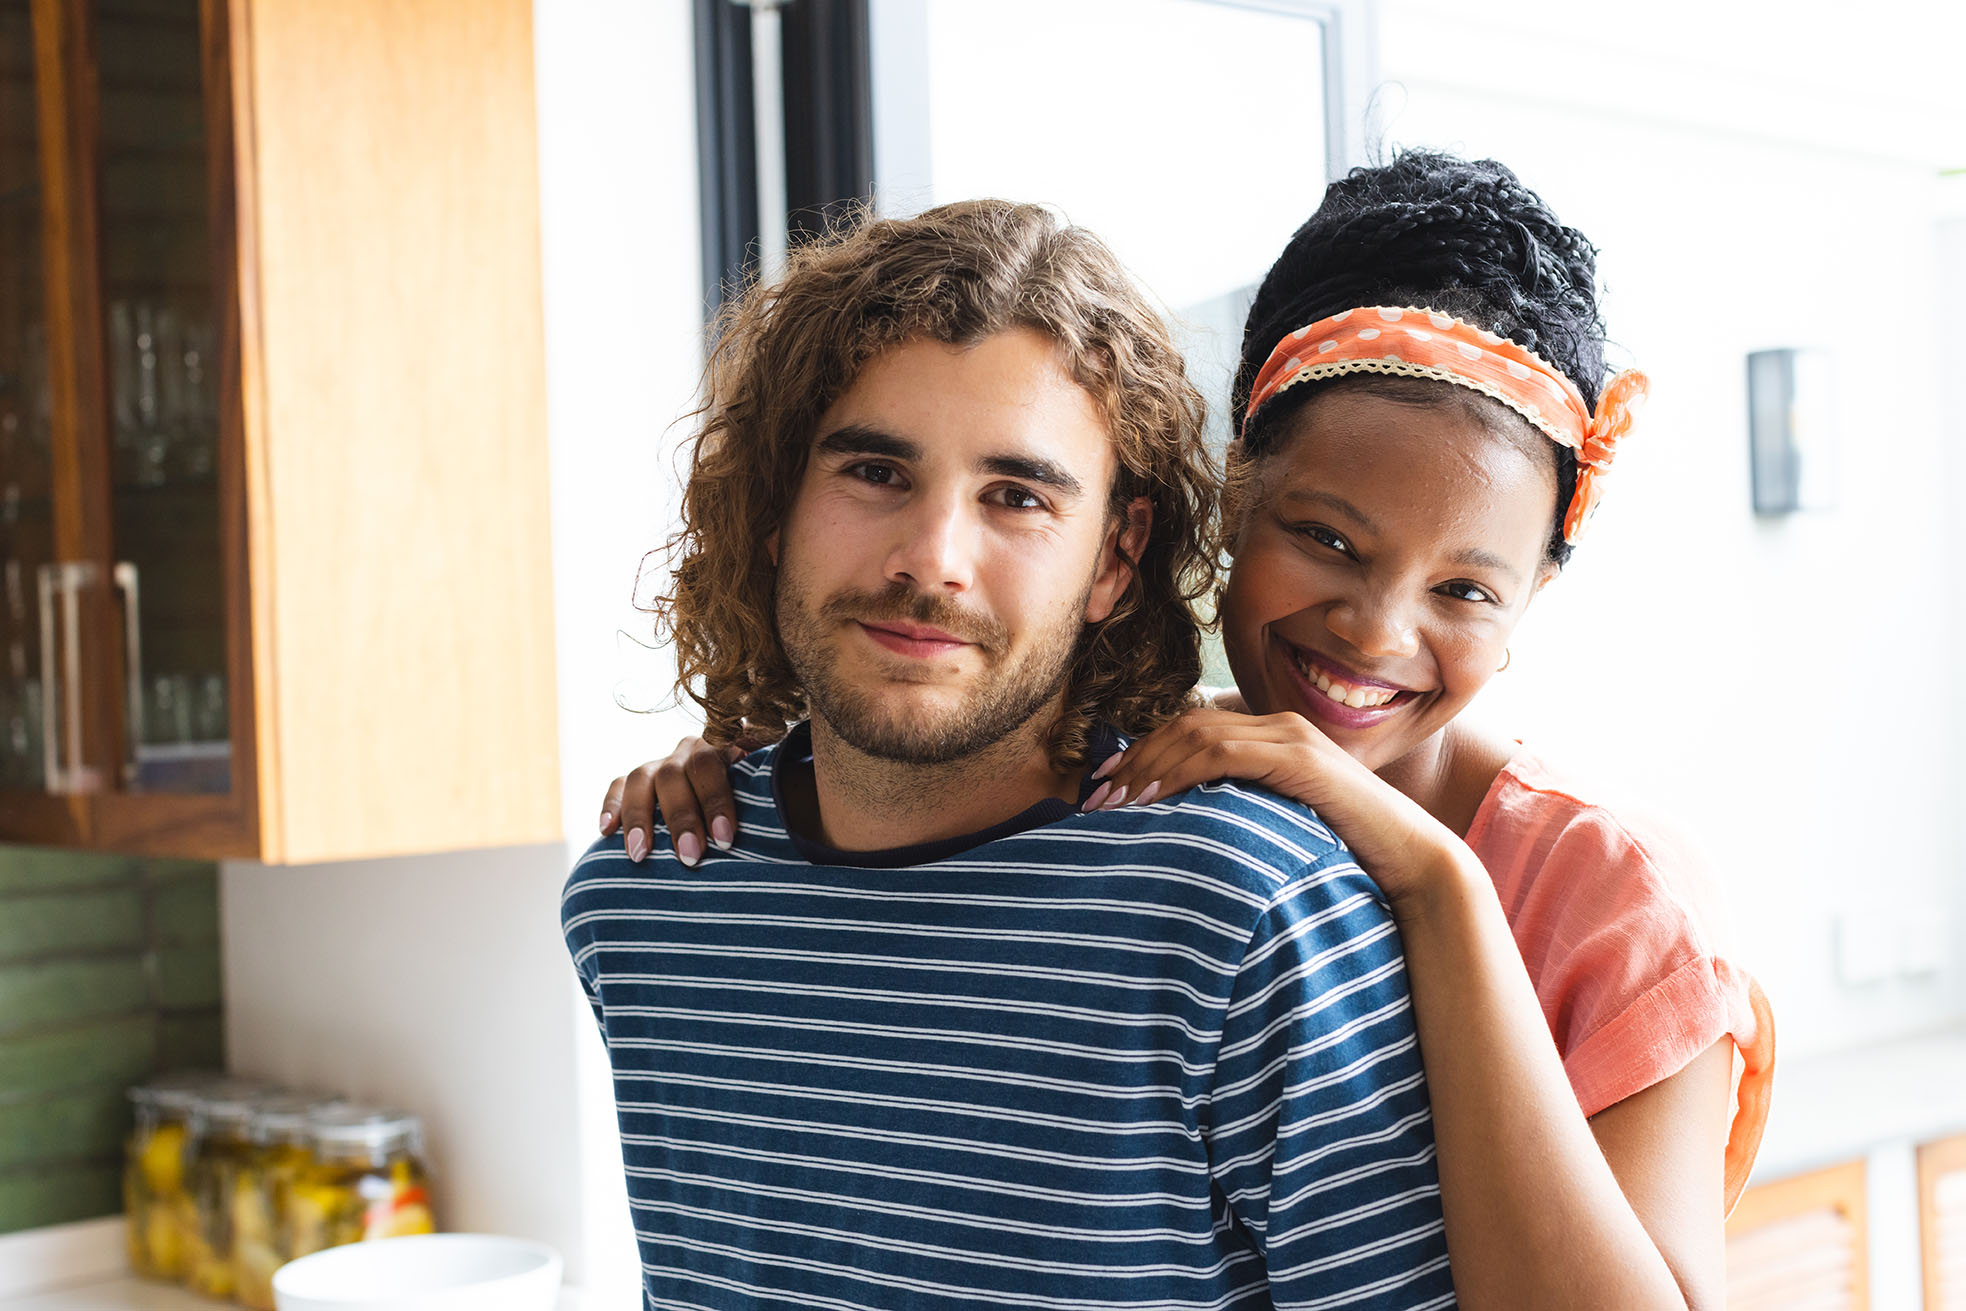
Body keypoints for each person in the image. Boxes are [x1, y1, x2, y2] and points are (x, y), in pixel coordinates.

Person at [601, 153, 1774, 1309]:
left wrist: (1437, 879)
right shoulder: (1185, 764)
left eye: (1463, 591)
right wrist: (736, 765)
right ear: (1232, 507)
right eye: (1326, 540)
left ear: (1527, 604)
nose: (1372, 635)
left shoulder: (1599, 898)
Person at [564, 198, 1459, 1309]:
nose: (932, 560)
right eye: (875, 474)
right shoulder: (645, 899)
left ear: (1114, 561)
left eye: (1016, 497)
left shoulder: (1247, 915)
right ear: (775, 503)